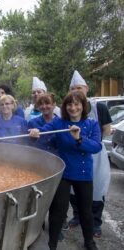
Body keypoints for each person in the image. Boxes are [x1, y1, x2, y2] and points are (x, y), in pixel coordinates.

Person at [29, 91, 102, 250]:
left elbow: (97, 146)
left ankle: (89, 242)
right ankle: (52, 243)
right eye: (69, 104)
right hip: (63, 172)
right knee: (58, 211)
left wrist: (79, 139)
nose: (73, 108)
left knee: (85, 211)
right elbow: (44, 131)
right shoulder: (59, 123)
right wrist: (36, 133)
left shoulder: (92, 124)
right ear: (65, 106)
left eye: (77, 104)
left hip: (83, 173)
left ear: (83, 106)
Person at [67, 70, 112, 238]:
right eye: (73, 88)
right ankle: (77, 216)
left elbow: (106, 130)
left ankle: (95, 223)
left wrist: (91, 140)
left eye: (79, 87)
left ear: (86, 89)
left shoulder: (99, 107)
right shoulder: (70, 107)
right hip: (76, 153)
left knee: (97, 188)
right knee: (74, 188)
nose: (76, 91)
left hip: (96, 154)